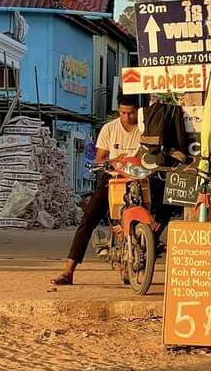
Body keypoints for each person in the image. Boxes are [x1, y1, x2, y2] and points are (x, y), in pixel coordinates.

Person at [50, 94, 142, 286]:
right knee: (89, 218)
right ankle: (69, 270)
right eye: (123, 113)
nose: (127, 117)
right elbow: (100, 158)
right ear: (118, 110)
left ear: (138, 111)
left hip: (140, 178)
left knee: (159, 211)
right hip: (114, 177)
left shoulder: (145, 128)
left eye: (131, 113)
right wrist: (112, 162)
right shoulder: (109, 128)